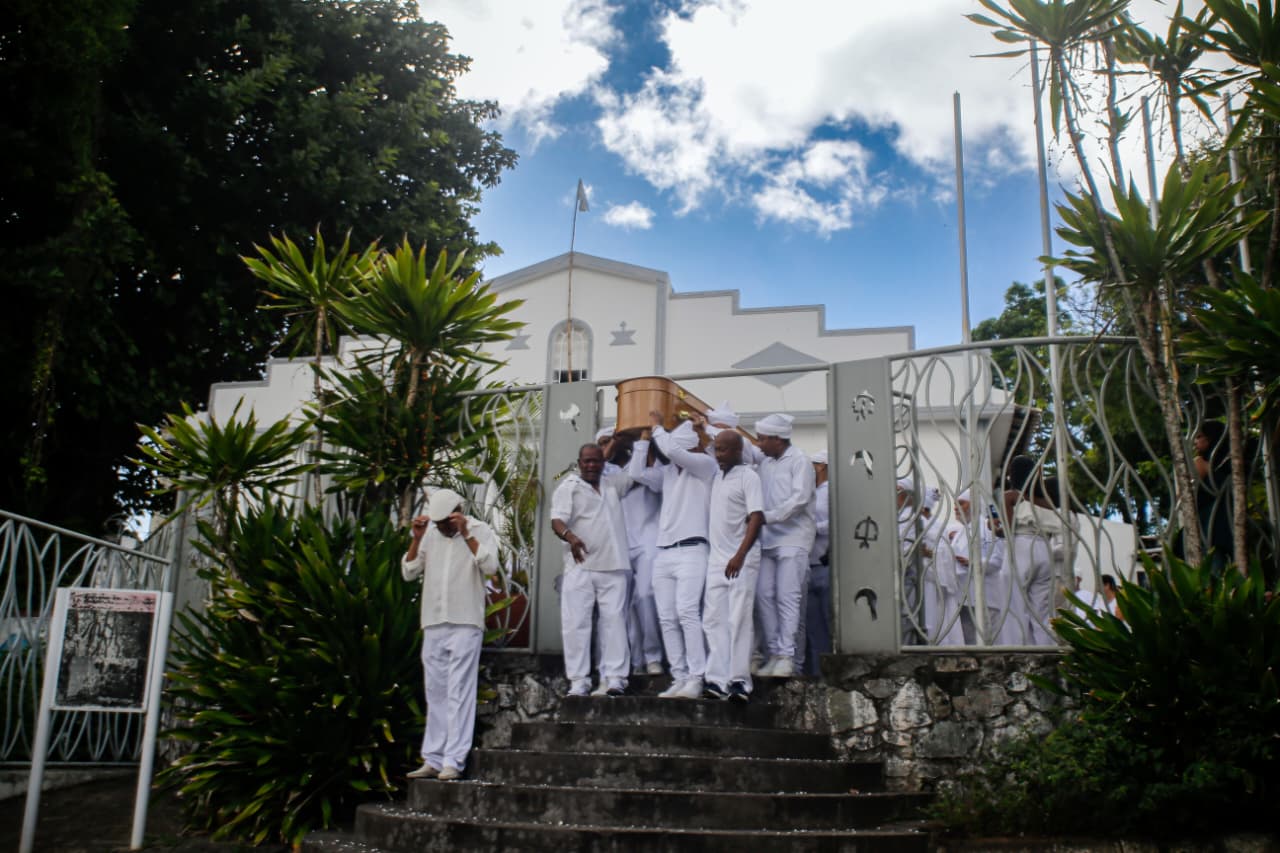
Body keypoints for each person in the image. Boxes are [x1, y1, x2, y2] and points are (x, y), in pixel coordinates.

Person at [403, 488, 500, 781]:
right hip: (433, 621)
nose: (442, 528)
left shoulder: (480, 531)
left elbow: (491, 567)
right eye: (439, 523)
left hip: (465, 622)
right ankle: (432, 758)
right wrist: (417, 538)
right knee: (436, 692)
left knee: (460, 691)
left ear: (457, 512)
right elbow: (408, 572)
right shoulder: (430, 534)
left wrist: (466, 535)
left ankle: (453, 761)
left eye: (446, 522)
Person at [631, 414, 716, 699]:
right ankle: (679, 676)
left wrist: (657, 427)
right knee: (666, 617)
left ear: (690, 448)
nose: (673, 456)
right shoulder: (668, 473)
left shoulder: (705, 465)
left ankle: (697, 676)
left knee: (687, 612)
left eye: (679, 449)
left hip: (693, 549)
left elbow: (673, 451)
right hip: (664, 552)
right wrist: (644, 441)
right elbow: (636, 473)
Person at [550, 443, 632, 698]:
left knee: (615, 622)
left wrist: (632, 439)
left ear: (603, 462)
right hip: (581, 566)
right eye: (586, 461)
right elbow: (556, 520)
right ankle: (579, 682)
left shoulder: (611, 485)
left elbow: (636, 474)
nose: (591, 465)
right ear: (579, 462)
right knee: (576, 624)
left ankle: (615, 679)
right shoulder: (569, 487)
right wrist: (571, 537)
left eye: (596, 461)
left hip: (613, 565)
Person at [702, 431, 765, 702]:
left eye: (724, 450)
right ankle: (716, 680)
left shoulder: (749, 476)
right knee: (713, 620)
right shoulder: (717, 476)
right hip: (716, 559)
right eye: (716, 450)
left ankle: (739, 681)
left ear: (739, 450)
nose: (718, 455)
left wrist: (739, 555)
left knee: (738, 619)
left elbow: (757, 517)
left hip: (741, 559)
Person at [753, 413, 816, 678]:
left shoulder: (800, 460)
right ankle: (774, 654)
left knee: (787, 597)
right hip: (768, 538)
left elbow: (799, 499)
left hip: (794, 538)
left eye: (763, 439)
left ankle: (788, 657)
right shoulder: (765, 463)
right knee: (764, 595)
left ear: (777, 439)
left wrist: (769, 516)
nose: (758, 444)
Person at [603, 432, 665, 676]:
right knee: (624, 606)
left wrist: (641, 443)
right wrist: (608, 450)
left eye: (610, 441)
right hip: (620, 544)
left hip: (648, 541)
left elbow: (640, 477)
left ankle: (653, 656)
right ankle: (636, 660)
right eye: (603, 444)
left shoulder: (652, 466)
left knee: (645, 595)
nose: (608, 447)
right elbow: (608, 481)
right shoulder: (603, 472)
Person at [803, 450, 832, 674]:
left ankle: (827, 674)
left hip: (823, 566)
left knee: (827, 625)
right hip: (809, 566)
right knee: (813, 629)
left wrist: (811, 528)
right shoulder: (812, 492)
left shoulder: (829, 491)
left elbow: (834, 522)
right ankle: (816, 675)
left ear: (821, 466)